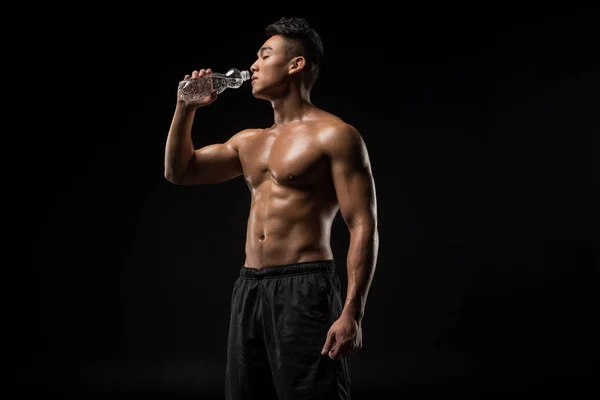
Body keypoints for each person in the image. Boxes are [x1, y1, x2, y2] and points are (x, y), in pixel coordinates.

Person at [164, 16, 379, 400]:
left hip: (305, 286)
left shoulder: (336, 135)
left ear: (296, 65)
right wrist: (185, 108)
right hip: (249, 287)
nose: (254, 66)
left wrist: (352, 312)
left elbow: (362, 224)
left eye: (265, 56)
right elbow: (179, 171)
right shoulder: (250, 141)